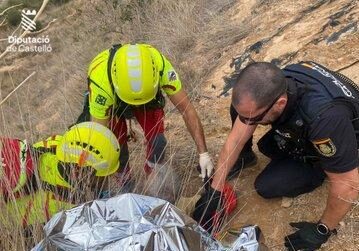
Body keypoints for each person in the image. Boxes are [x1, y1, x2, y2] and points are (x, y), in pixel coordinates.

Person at [193, 61, 359, 250]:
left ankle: (317, 170)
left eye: (254, 120)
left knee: (267, 186)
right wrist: (216, 189)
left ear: (280, 103)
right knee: (246, 114)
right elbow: (236, 137)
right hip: (307, 123)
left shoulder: (324, 121)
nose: (247, 124)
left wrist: (322, 230)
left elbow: (348, 184)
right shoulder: (277, 82)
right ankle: (248, 154)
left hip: (337, 141)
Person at [78, 43, 213, 182]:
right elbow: (98, 138)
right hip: (113, 102)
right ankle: (125, 181)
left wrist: (204, 154)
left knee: (158, 142)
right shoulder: (101, 83)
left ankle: (153, 172)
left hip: (148, 96)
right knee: (117, 147)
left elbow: (187, 110)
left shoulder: (159, 65)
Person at [0, 121, 120, 227]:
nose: (106, 180)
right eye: (100, 176)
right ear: (79, 170)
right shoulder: (67, 209)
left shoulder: (56, 142)